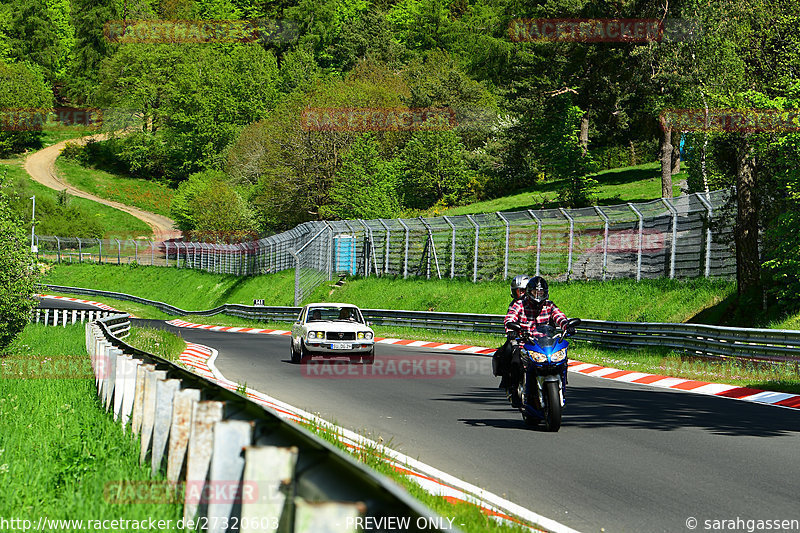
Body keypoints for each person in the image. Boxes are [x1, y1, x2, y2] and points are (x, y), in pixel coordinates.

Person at [502, 276, 571, 407]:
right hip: (525, 343)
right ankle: (515, 390)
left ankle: (562, 385)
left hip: (546, 344)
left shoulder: (549, 305)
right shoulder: (519, 304)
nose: (538, 295)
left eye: (541, 292)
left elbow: (559, 316)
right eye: (535, 292)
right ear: (529, 292)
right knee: (515, 360)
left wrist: (566, 325)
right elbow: (509, 318)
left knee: (562, 359)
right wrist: (511, 329)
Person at [493, 275, 530, 389]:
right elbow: (509, 318)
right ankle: (506, 377)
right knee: (507, 351)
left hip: (536, 337)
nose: (520, 294)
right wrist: (511, 331)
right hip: (518, 336)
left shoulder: (539, 303)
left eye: (523, 291)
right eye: (517, 291)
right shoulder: (514, 305)